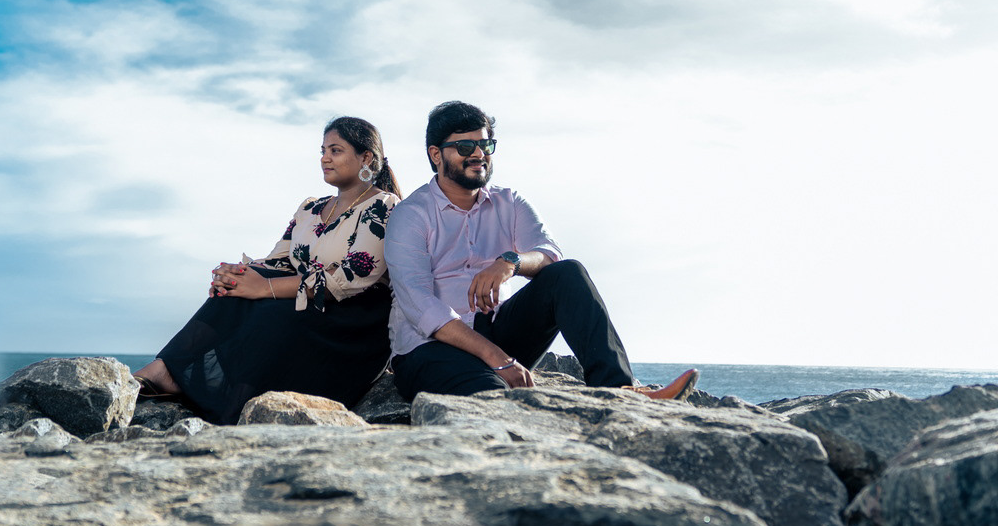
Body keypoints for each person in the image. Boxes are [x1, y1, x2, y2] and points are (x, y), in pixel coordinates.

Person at [385, 100, 697, 401]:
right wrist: (499, 359)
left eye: (486, 145)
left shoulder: (509, 201)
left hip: (496, 328)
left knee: (567, 274)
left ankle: (618, 389)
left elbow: (548, 252)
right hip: (430, 347)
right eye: (466, 146)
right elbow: (421, 307)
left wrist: (509, 262)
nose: (479, 154)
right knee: (493, 396)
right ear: (436, 154)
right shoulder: (410, 214)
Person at [134, 116, 402, 424]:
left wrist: (263, 287)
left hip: (353, 321)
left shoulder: (383, 205)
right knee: (233, 295)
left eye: (335, 150)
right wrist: (236, 276)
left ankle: (233, 409)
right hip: (307, 306)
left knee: (271, 312)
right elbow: (279, 262)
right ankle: (165, 371)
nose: (324, 158)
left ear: (366, 157)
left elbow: (349, 278)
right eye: (323, 150)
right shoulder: (310, 208)